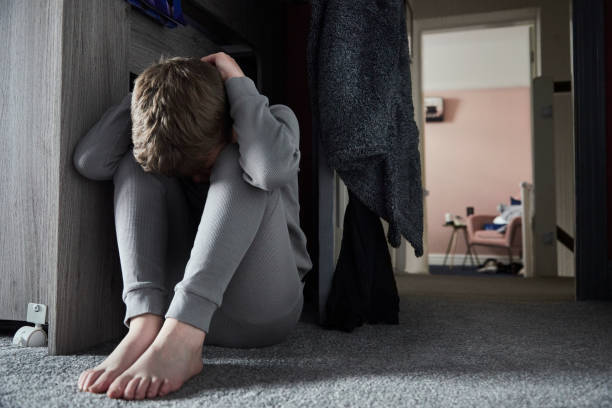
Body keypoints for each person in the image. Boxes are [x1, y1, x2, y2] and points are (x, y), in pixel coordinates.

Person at [72, 53, 312, 400]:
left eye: (203, 169)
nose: (199, 179)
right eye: (189, 176)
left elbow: (270, 169)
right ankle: (142, 326)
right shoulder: (175, 137)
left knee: (242, 160)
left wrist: (236, 82)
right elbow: (90, 161)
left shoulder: (274, 120)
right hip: (167, 310)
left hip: (261, 309)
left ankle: (184, 338)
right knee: (137, 162)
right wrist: (151, 95)